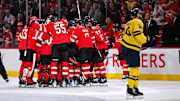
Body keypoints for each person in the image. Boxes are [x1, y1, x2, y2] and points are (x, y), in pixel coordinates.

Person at [121, 8, 149, 99]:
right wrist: (146, 39)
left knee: (135, 68)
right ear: (137, 15)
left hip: (126, 47)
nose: (141, 15)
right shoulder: (138, 22)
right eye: (140, 13)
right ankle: (130, 89)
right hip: (132, 48)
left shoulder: (128, 23)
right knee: (134, 69)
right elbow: (137, 34)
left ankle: (135, 87)